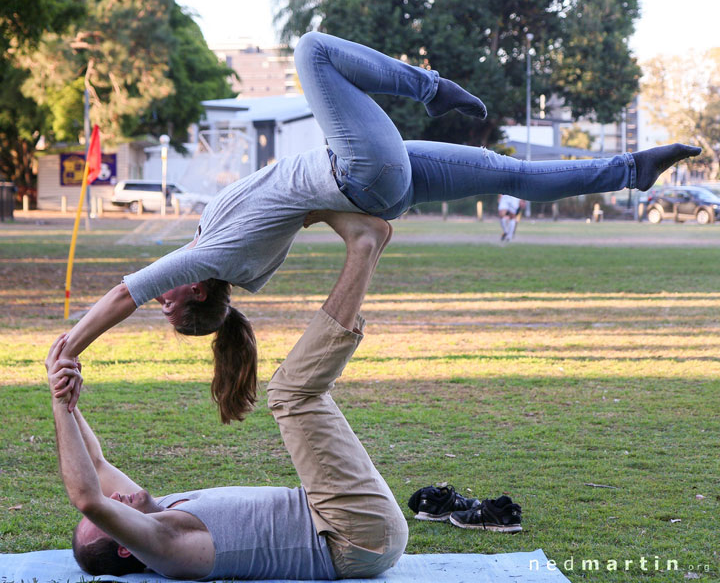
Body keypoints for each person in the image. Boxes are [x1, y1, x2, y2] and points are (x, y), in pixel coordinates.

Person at [56, 32, 701, 421]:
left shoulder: (232, 259)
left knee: (511, 174)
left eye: (159, 303)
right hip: (361, 169)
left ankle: (630, 169)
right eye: (166, 305)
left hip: (377, 186)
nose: (157, 298)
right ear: (194, 292)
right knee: (312, 50)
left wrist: (361, 226)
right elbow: (120, 296)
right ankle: (428, 86)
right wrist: (70, 348)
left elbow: (303, 211)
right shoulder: (214, 259)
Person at [47, 211, 409, 579]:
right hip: (352, 537)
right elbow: (87, 498)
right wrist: (63, 406)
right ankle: (363, 246)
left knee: (292, 393)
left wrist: (59, 387)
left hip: (337, 514)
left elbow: (95, 466)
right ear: (127, 544)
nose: (114, 500)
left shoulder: (157, 508)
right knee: (291, 394)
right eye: (111, 516)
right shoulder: (170, 547)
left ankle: (369, 243)